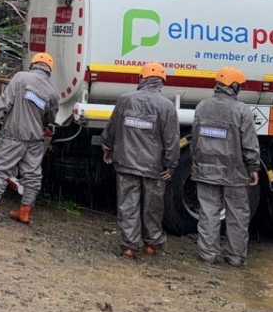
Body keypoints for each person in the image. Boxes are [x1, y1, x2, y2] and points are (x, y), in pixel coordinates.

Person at [101, 62, 180, 258]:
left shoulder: (125, 100)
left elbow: (112, 127)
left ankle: (129, 246)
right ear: (161, 82)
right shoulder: (167, 106)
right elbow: (172, 139)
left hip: (126, 163)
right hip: (154, 167)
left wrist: (107, 148)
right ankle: (151, 244)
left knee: (128, 205)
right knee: (153, 206)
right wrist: (171, 165)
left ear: (141, 79)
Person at [0, 52, 58, 224]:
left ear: (33, 64)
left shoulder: (20, 78)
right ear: (49, 70)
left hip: (13, 135)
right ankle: (24, 212)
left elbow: (5, 102)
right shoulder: (52, 91)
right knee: (32, 175)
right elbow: (51, 119)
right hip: (35, 139)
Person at [192, 66, 261, 267]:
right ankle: (235, 258)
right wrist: (253, 167)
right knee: (237, 215)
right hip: (235, 172)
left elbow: (196, 139)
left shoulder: (202, 107)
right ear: (235, 86)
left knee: (208, 213)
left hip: (205, 170)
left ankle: (207, 255)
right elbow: (249, 142)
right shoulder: (241, 110)